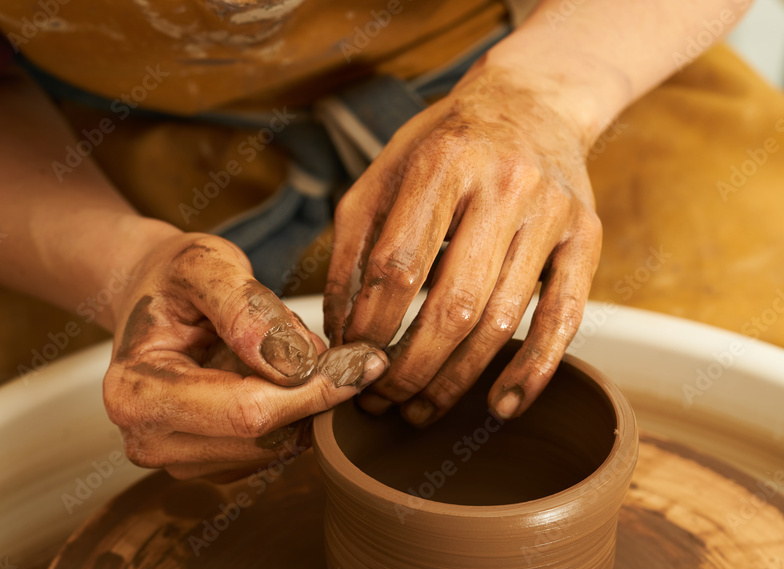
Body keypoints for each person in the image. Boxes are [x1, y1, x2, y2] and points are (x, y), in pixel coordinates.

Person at [0, 0, 775, 484]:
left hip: (568, 53)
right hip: (85, 154)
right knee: (73, 451)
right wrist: (121, 265)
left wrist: (544, 95)